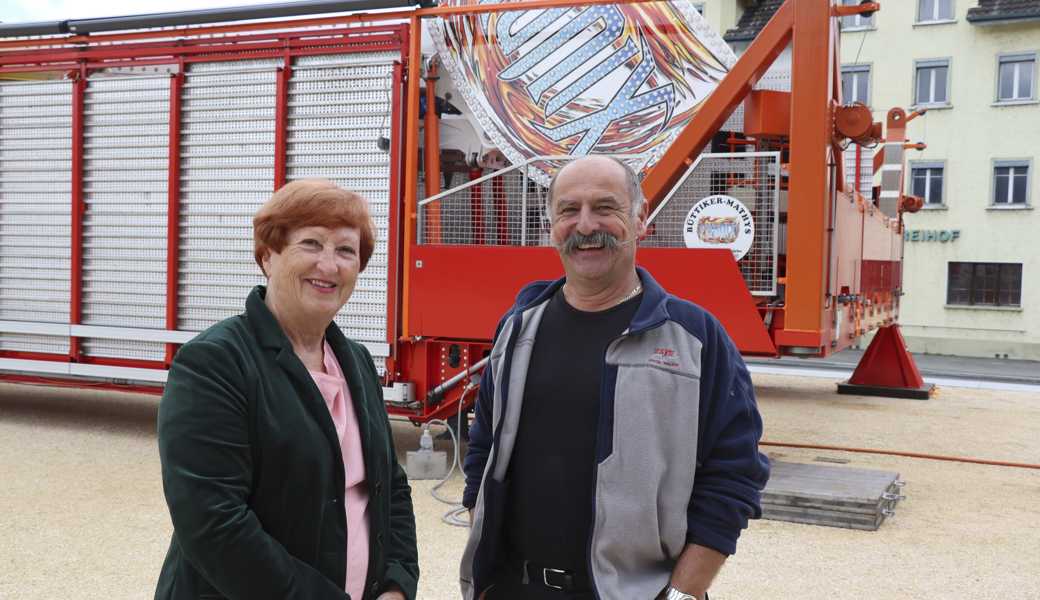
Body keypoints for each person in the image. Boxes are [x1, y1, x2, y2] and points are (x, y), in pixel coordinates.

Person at [459, 156, 770, 600]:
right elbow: (485, 448)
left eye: (605, 208)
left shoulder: (695, 339)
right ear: (551, 225)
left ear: (640, 220)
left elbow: (735, 473)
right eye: (569, 210)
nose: (586, 225)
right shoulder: (518, 328)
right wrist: (482, 563)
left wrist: (683, 594)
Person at [155, 179, 418, 600]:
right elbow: (213, 521)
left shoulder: (357, 362)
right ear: (268, 256)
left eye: (346, 250)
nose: (329, 266)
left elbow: (391, 488)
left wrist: (397, 585)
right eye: (311, 244)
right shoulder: (215, 363)